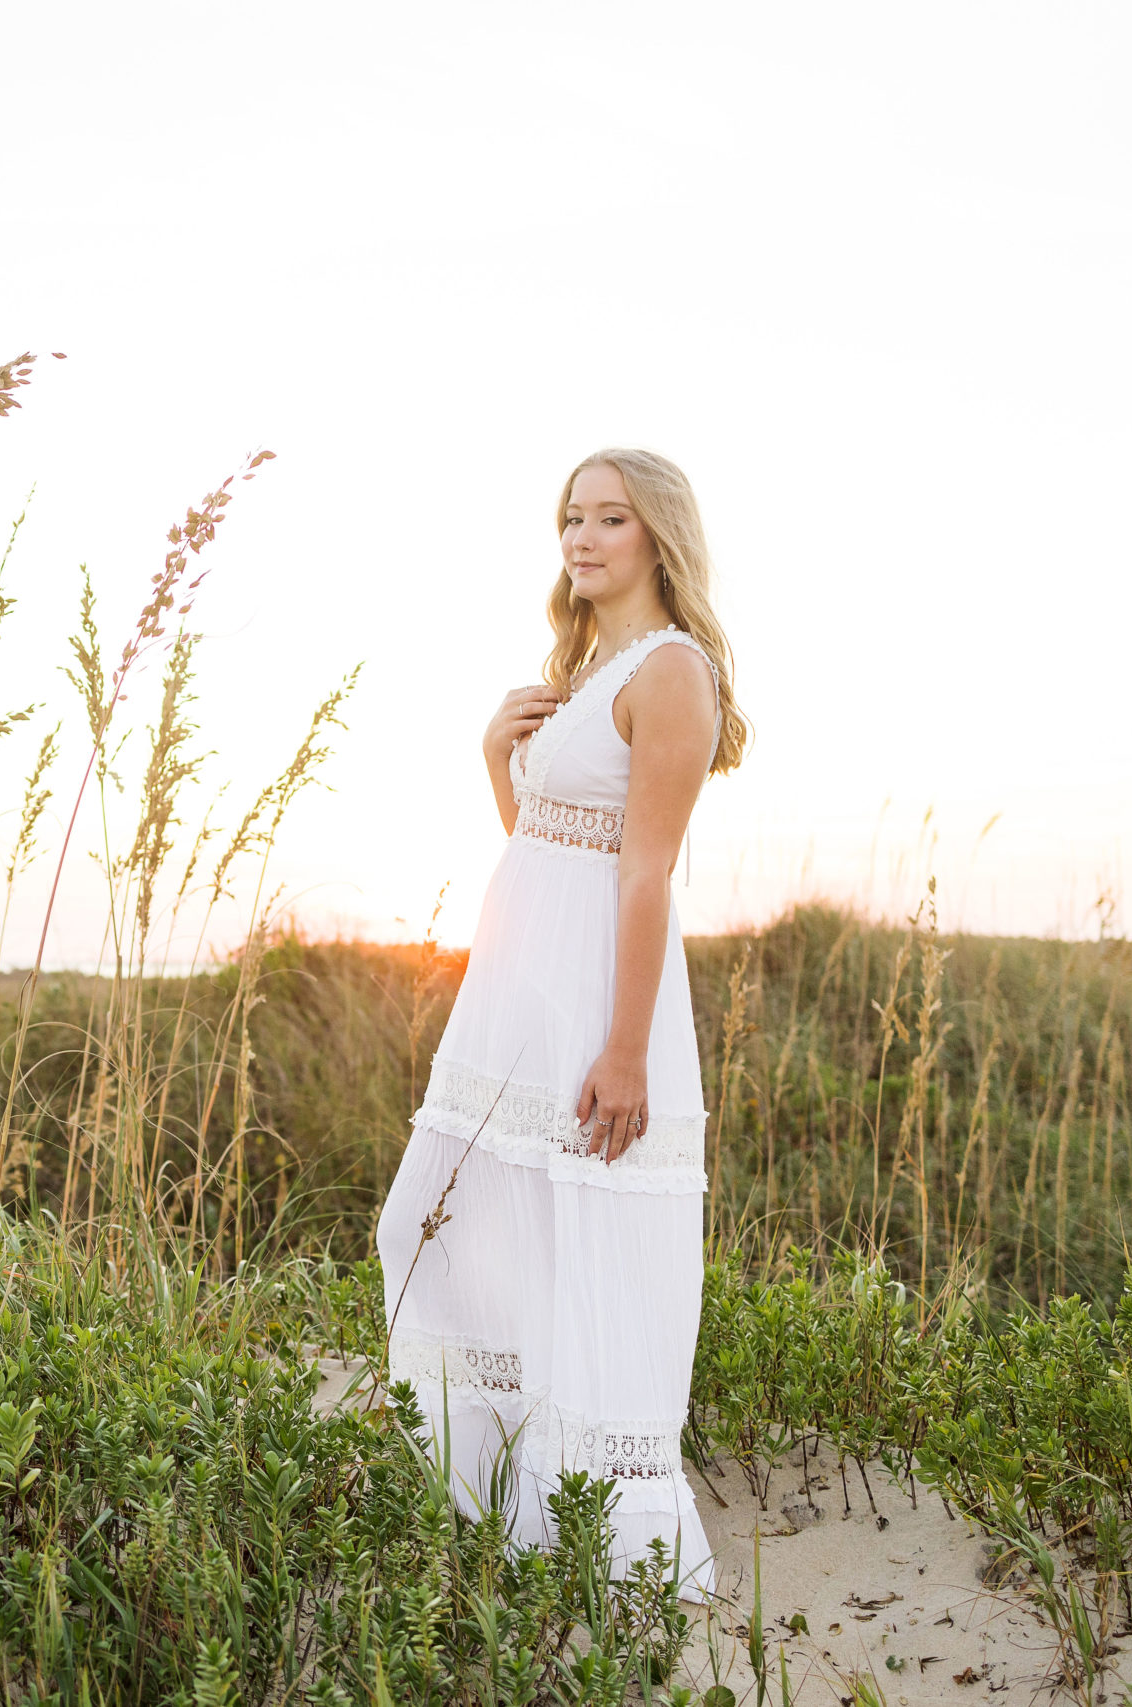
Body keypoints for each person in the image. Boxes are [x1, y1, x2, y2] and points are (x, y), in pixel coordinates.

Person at [375, 447, 749, 1595]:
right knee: (450, 1229)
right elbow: (544, 848)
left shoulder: (670, 671)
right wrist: (496, 754)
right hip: (517, 999)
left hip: (599, 1004)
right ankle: (506, 1506)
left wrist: (627, 1050)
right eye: (571, 520)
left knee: (588, 1241)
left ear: (659, 539)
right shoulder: (589, 666)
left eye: (609, 521)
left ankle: (603, 1537)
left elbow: (643, 877)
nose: (581, 540)